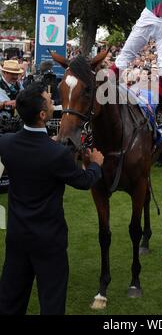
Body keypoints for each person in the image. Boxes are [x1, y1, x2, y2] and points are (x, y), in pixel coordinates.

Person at [0, 83, 104, 315]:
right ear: (43, 115)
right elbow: (84, 181)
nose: (53, 100)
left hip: (17, 236)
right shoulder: (57, 154)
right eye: (49, 100)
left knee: (10, 299)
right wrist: (96, 164)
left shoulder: (6, 143)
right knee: (52, 301)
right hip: (49, 240)